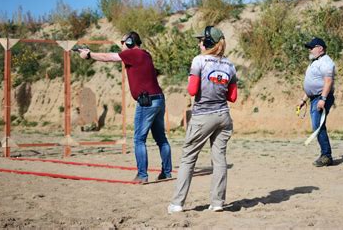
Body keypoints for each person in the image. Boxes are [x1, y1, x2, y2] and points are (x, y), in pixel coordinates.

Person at [78, 32, 172, 182]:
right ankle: (167, 172)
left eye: (123, 42)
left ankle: (142, 175)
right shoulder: (145, 54)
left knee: (139, 140)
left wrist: (89, 55)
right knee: (161, 138)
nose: (121, 46)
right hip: (159, 99)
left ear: (129, 42)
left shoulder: (133, 54)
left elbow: (107, 57)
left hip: (146, 102)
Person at [167, 26, 238, 214]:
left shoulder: (198, 61)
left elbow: (191, 90)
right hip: (223, 116)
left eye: (201, 40)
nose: (199, 43)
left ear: (207, 43)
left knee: (188, 158)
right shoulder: (230, 65)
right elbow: (233, 97)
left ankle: (177, 203)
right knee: (220, 159)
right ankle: (217, 203)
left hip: (202, 116)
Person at [297, 37, 335, 167]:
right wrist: (303, 99)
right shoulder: (315, 62)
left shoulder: (326, 62)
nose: (310, 50)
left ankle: (326, 156)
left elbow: (328, 82)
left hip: (321, 98)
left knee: (317, 126)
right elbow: (312, 84)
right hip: (315, 98)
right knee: (317, 126)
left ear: (320, 48)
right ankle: (326, 155)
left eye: (312, 48)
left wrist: (323, 99)